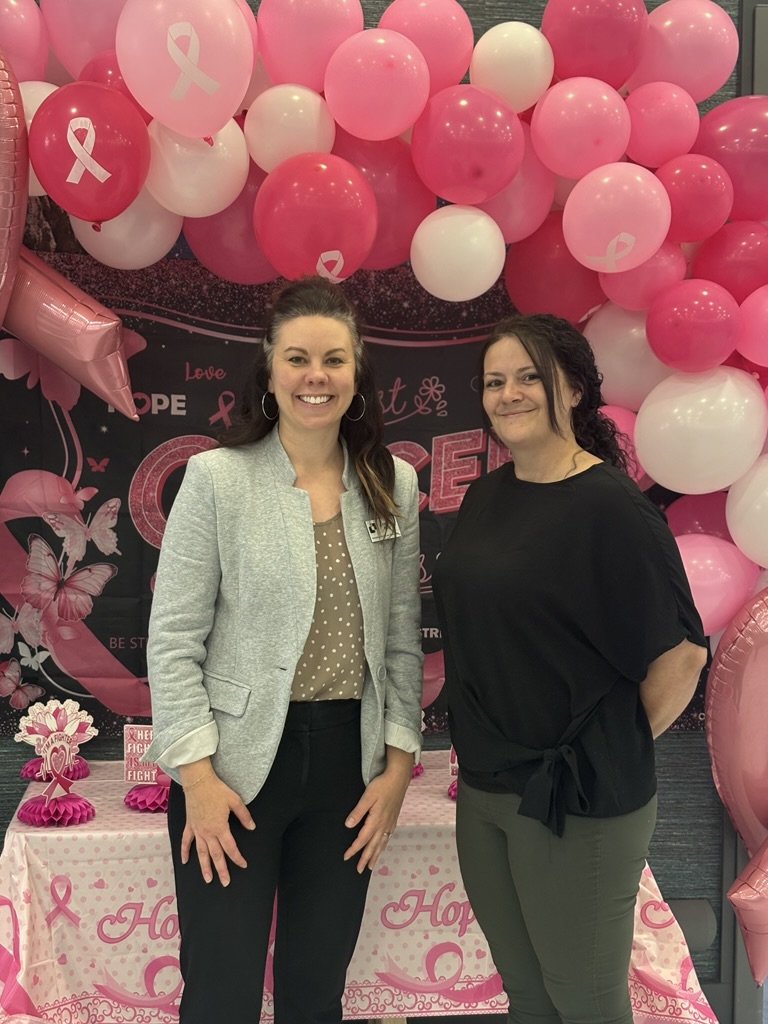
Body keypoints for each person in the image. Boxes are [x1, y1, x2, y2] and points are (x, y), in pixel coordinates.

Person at [144, 276, 423, 1024]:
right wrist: (197, 778)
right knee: (220, 995)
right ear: (269, 370)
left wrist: (398, 769)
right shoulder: (217, 478)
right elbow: (172, 639)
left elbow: (401, 640)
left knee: (315, 993)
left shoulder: (391, 481)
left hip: (349, 769)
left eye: (333, 359)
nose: (315, 376)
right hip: (232, 773)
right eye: (297, 358)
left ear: (357, 372)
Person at [432, 312, 708, 1024]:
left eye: (530, 376)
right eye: (495, 381)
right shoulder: (487, 496)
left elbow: (681, 655)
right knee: (527, 995)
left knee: (585, 1002)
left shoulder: (611, 507)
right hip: (487, 787)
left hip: (577, 799)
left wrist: (608, 744)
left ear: (576, 388)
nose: (509, 394)